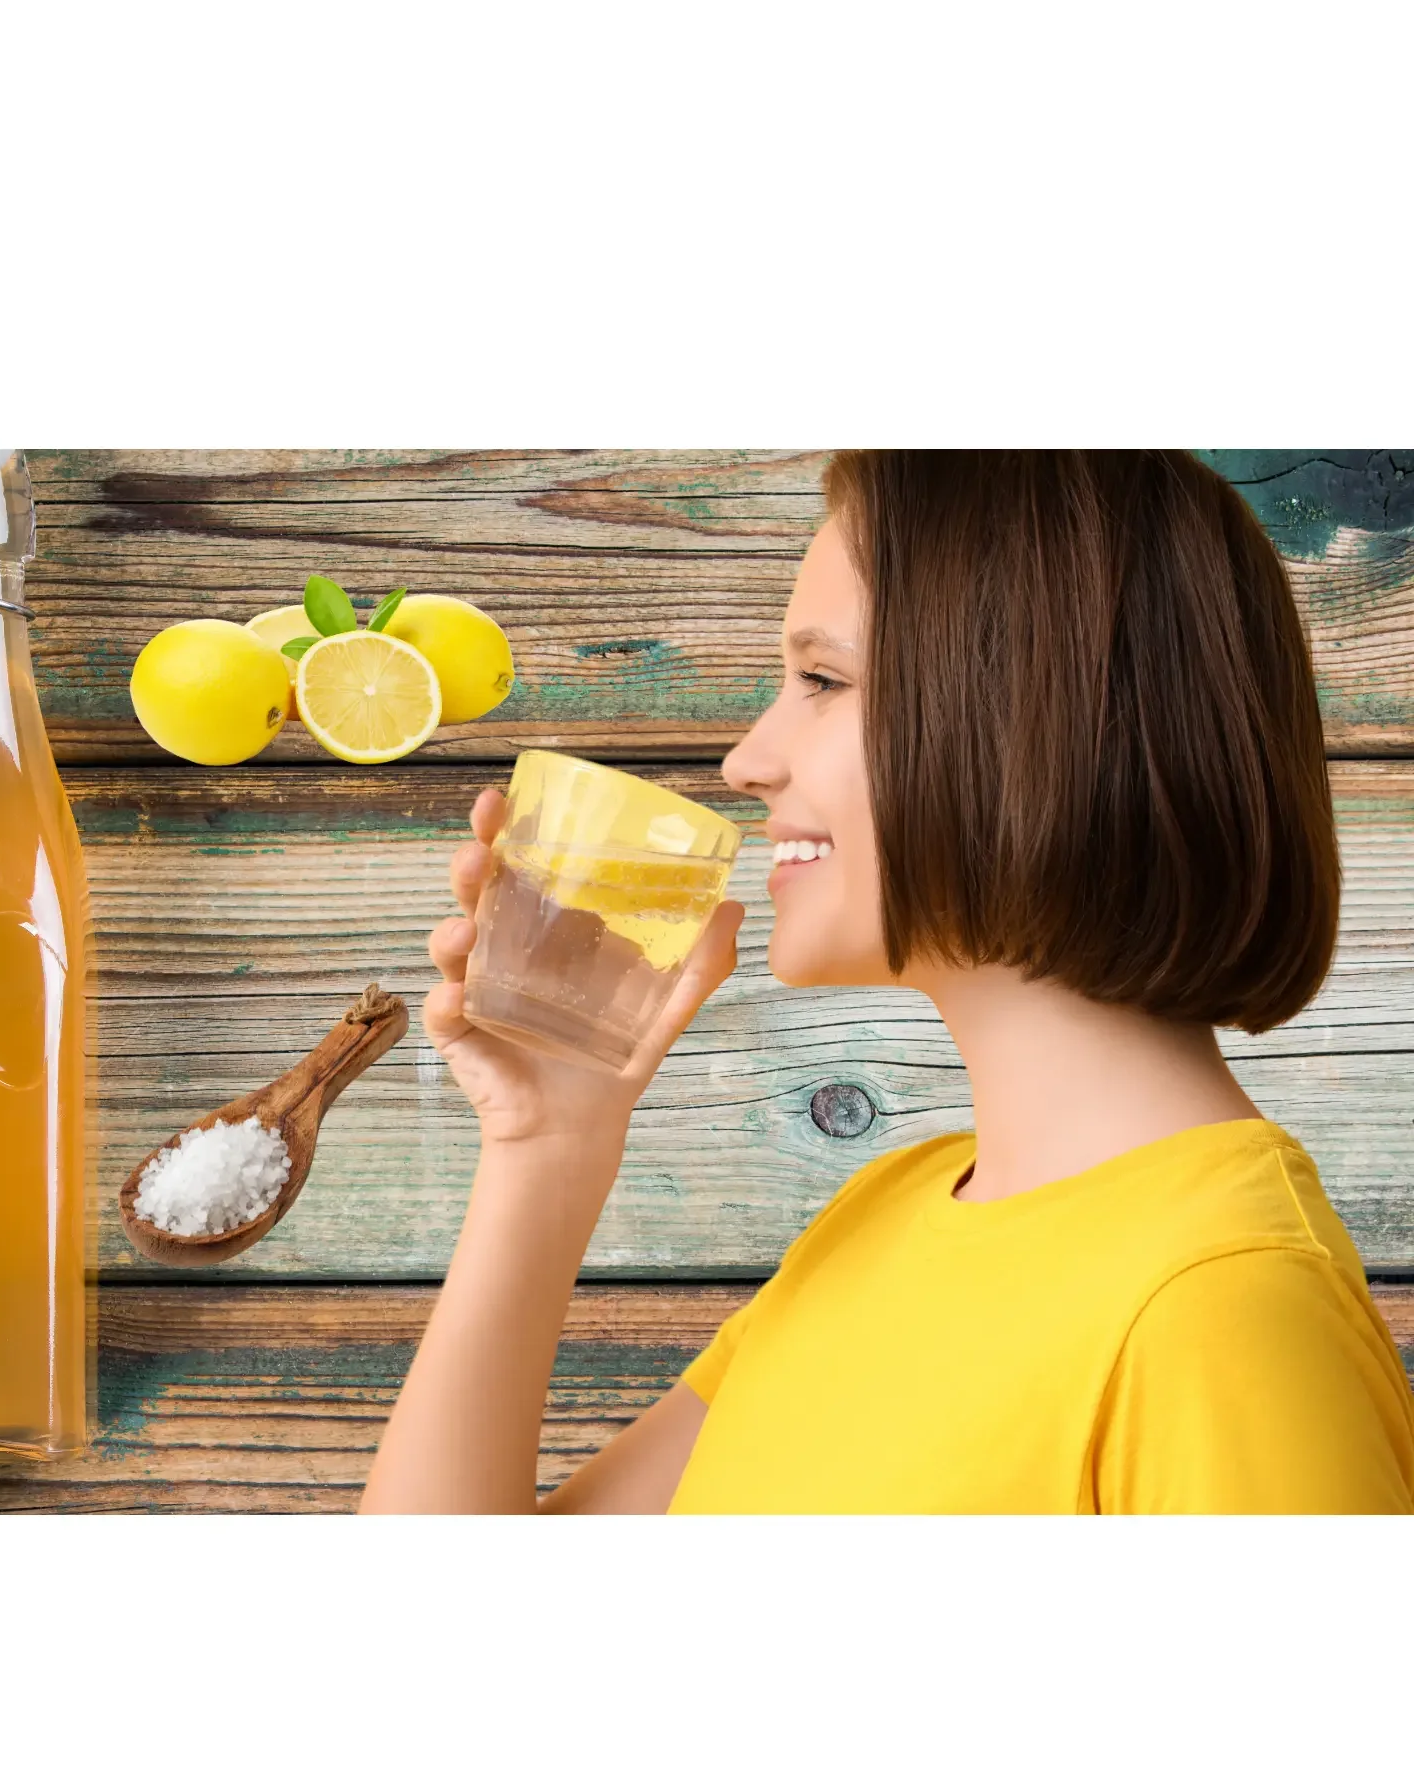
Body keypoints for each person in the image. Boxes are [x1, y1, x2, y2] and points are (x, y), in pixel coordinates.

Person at [359, 451, 1414, 1515]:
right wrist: (548, 1147)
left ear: (1028, 719)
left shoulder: (1222, 1305)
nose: (743, 760)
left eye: (820, 681)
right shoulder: (884, 1215)